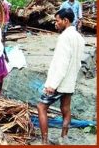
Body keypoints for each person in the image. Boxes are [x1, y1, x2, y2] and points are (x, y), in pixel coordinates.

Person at [37, 8, 85, 145]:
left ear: (66, 21)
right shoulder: (79, 38)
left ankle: (44, 141)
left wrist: (53, 84)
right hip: (70, 81)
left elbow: (62, 63)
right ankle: (63, 138)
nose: (55, 24)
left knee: (41, 107)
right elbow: (77, 62)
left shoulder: (64, 37)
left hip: (59, 81)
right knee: (65, 108)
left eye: (57, 21)